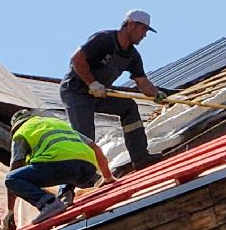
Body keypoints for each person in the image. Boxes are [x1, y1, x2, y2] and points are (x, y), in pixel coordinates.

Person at [61, 9, 166, 173]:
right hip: (76, 91)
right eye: (143, 29)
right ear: (130, 25)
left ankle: (140, 157)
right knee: (85, 134)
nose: (144, 35)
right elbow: (77, 59)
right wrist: (93, 83)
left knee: (128, 107)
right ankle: (75, 181)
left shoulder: (132, 55)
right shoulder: (104, 40)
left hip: (98, 93)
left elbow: (143, 83)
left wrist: (157, 94)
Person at [2, 110, 114, 230]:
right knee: (64, 165)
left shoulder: (21, 132)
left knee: (11, 178)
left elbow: (15, 169)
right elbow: (95, 147)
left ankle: (48, 204)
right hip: (87, 169)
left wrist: (10, 211)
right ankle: (66, 196)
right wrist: (107, 177)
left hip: (59, 168)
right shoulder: (57, 123)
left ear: (15, 127)